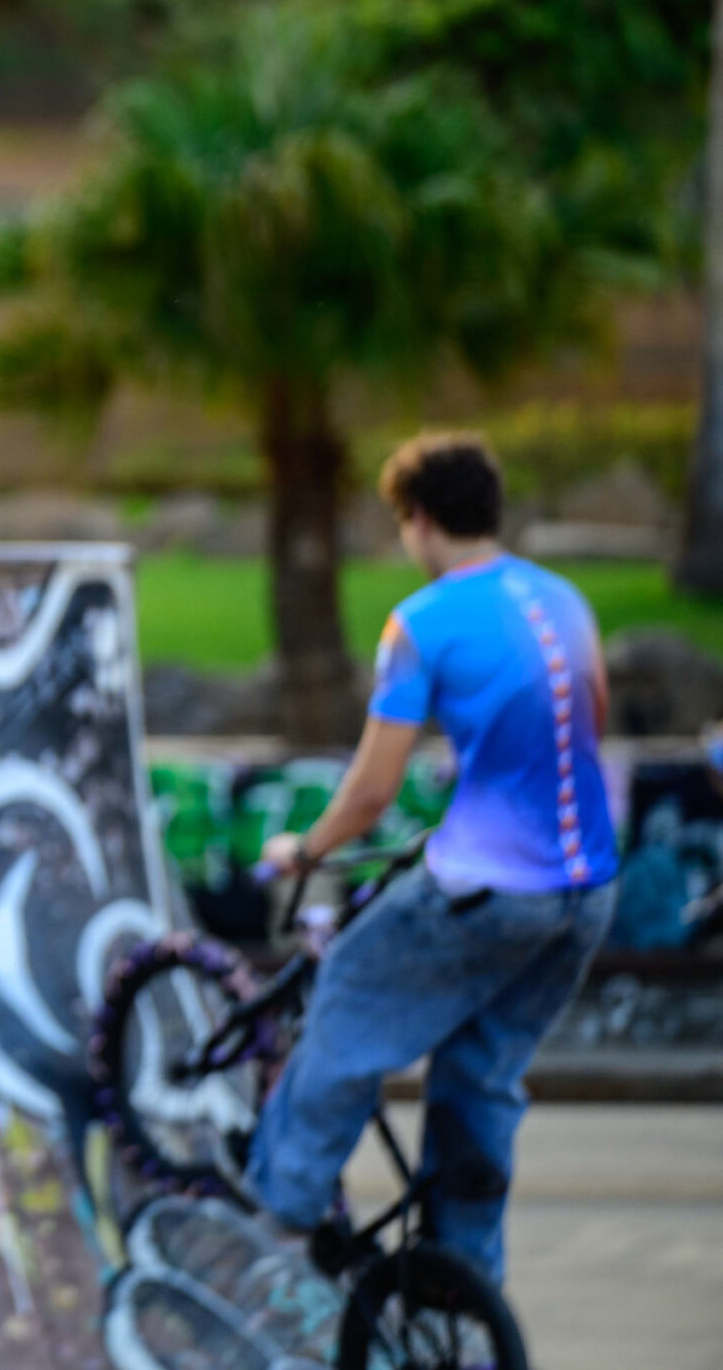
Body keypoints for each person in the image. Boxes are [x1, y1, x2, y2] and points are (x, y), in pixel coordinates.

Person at [250, 432, 619, 1287]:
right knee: (480, 1073)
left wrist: (301, 849)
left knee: (346, 1001)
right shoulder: (565, 599)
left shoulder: (421, 622)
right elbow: (583, 734)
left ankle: (274, 1217)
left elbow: (372, 791)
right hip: (586, 891)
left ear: (418, 519)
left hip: (488, 887)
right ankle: (460, 1285)